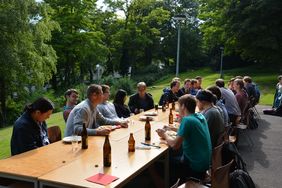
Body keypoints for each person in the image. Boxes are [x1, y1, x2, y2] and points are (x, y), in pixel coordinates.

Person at [156, 94, 211, 185]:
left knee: (161, 162)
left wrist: (164, 134)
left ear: (183, 106)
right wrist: (172, 129)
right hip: (204, 163)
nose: (178, 109)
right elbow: (190, 131)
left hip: (194, 165)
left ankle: (168, 183)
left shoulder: (187, 120)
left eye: (178, 106)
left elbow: (174, 145)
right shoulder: (200, 116)